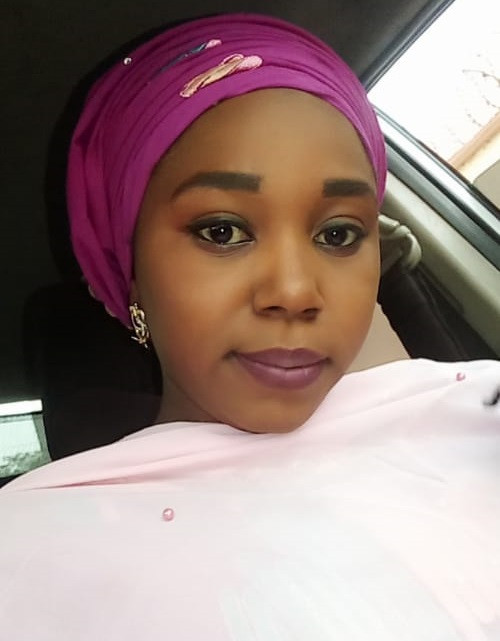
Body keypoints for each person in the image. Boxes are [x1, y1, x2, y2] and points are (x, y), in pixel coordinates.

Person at [1, 13, 499, 640]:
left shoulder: (473, 419)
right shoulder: (32, 564)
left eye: (338, 234)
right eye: (222, 230)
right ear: (130, 273)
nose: (294, 292)